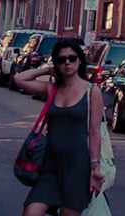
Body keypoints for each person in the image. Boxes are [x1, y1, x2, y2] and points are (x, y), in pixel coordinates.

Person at [11, 39, 105, 216]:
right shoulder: (52, 89)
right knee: (30, 213)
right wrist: (47, 69)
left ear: (79, 60)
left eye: (72, 58)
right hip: (50, 167)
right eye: (61, 60)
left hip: (78, 168)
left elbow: (94, 133)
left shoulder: (92, 91)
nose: (67, 62)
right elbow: (18, 78)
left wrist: (95, 169)